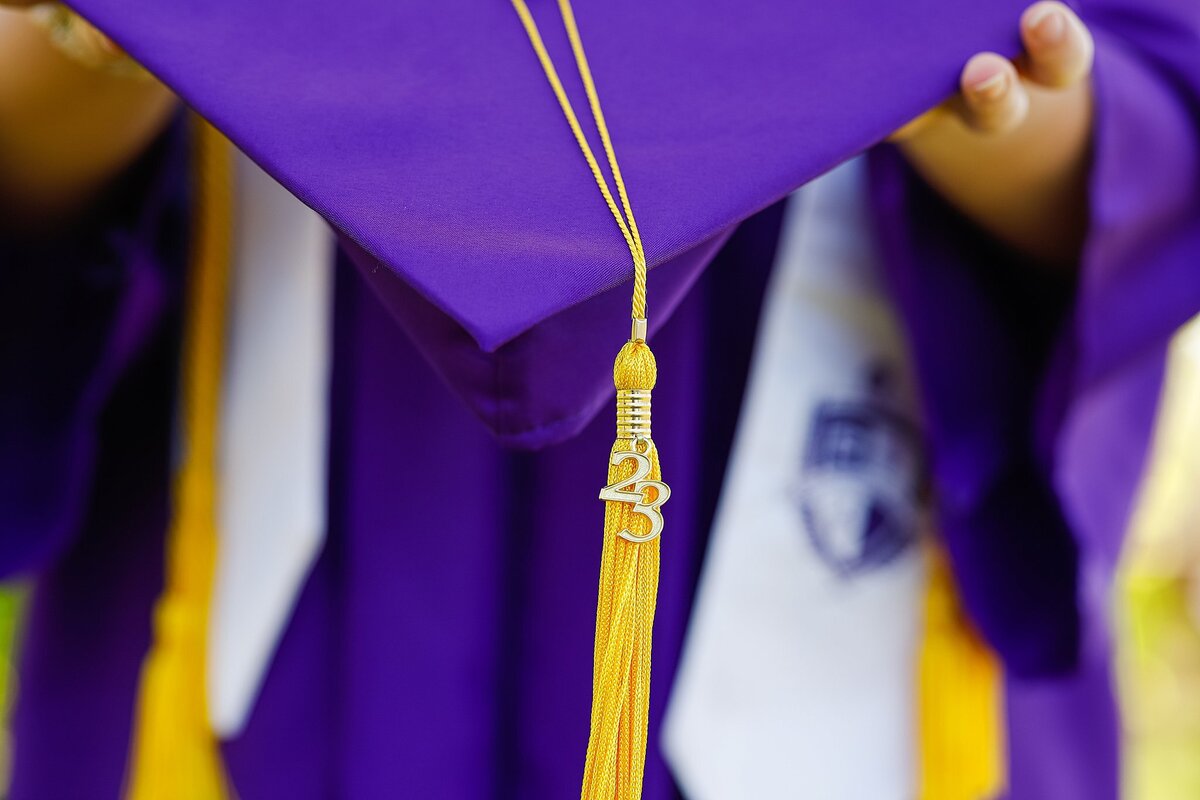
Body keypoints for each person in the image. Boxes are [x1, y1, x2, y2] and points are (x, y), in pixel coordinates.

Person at [0, 1, 1197, 798]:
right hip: (257, 611)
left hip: (844, 615)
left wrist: (944, 76)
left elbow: (1154, 119)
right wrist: (116, 40)